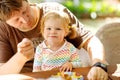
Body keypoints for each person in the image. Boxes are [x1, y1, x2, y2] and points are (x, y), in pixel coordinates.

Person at [0, 0, 108, 79]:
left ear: (27, 1)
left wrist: (99, 64)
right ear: (5, 21)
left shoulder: (56, 13)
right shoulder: (3, 29)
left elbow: (90, 41)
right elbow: (2, 74)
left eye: (25, 11)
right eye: (17, 20)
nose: (25, 20)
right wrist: (20, 57)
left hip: (64, 76)